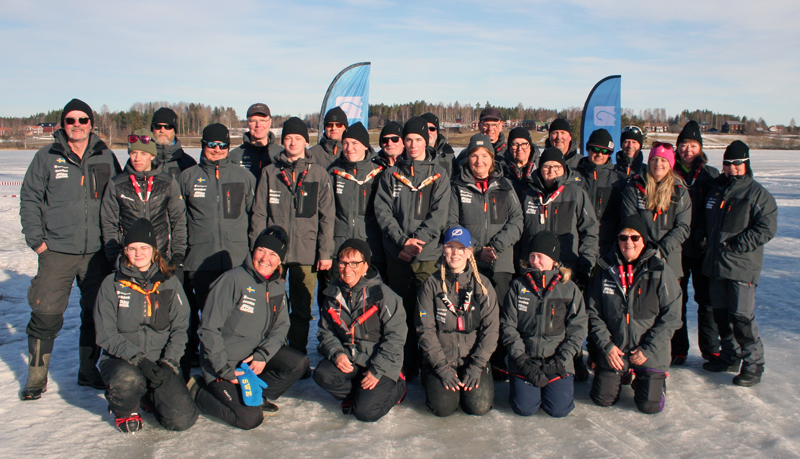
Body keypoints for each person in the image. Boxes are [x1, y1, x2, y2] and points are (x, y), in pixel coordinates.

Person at [20, 98, 122, 399]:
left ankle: (88, 371)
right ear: (62, 124)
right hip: (57, 251)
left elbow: (117, 196)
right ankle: (36, 377)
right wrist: (38, 242)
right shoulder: (47, 156)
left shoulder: (105, 155)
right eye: (70, 120)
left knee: (95, 314)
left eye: (82, 120)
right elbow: (30, 199)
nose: (76, 125)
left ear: (91, 124)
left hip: (96, 254)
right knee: (46, 313)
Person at [194, 227, 310, 429]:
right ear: (253, 251)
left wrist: (262, 355)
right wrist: (224, 370)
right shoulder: (233, 279)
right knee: (250, 419)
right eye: (261, 250)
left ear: (280, 260)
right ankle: (198, 393)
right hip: (221, 363)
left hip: (250, 360)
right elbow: (209, 329)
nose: (265, 258)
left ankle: (253, 393)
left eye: (273, 254)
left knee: (298, 363)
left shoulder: (277, 286)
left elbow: (282, 326)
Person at [94, 218, 198, 433]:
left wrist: (170, 361)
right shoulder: (111, 283)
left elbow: (181, 327)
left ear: (154, 250)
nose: (138, 253)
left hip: (160, 361)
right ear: (125, 251)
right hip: (123, 359)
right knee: (128, 379)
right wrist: (138, 359)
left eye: (144, 247)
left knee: (181, 421)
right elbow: (105, 334)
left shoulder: (170, 282)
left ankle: (149, 397)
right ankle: (125, 408)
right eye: (132, 248)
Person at [374, 116, 451, 378]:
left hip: (427, 256)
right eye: (408, 140)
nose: (413, 144)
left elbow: (439, 216)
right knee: (402, 312)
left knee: (428, 314)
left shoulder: (439, 174)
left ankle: (431, 362)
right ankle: (406, 361)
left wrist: (416, 243)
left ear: (426, 141)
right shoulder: (390, 175)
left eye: (418, 139)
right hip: (397, 255)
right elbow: (382, 212)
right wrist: (401, 241)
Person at [250, 117, 334, 355]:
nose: (293, 143)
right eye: (288, 138)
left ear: (306, 142)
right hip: (273, 253)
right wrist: (257, 250)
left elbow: (327, 217)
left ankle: (297, 353)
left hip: (306, 253)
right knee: (270, 305)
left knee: (301, 308)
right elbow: (258, 214)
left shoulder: (318, 174)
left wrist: (325, 252)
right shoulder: (270, 173)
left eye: (298, 138)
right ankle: (270, 352)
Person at [178, 123, 256, 379]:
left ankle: (233, 362)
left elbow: (254, 217)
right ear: (203, 145)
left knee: (234, 316)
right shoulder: (188, 177)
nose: (217, 150)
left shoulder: (243, 177)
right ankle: (208, 364)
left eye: (223, 145)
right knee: (206, 316)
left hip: (235, 259)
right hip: (200, 260)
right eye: (212, 145)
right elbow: (178, 220)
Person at [587, 216, 682, 414]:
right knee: (602, 399)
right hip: (617, 351)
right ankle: (623, 373)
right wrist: (607, 346)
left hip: (648, 351)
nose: (628, 242)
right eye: (623, 237)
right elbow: (592, 313)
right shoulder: (605, 268)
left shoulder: (660, 270)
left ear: (644, 240)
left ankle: (654, 381)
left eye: (635, 237)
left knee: (649, 406)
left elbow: (672, 316)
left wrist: (648, 349)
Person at [701, 141, 777, 386]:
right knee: (720, 314)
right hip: (715, 264)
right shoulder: (716, 189)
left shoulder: (757, 194)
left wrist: (737, 245)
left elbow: (766, 228)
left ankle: (754, 362)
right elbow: (705, 219)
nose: (732, 168)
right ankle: (729, 354)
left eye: (737, 164)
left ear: (746, 164)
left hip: (741, 266)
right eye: (727, 163)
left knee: (742, 316)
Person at [519, 147, 598, 381]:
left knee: (565, 316)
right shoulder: (528, 194)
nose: (551, 171)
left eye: (556, 167)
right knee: (538, 315)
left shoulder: (575, 193)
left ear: (564, 169)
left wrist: (586, 263)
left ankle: (572, 360)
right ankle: (531, 359)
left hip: (566, 269)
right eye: (546, 166)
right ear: (539, 169)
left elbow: (590, 230)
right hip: (534, 268)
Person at [448, 134, 523, 379]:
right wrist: (477, 249)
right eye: (474, 156)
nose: (479, 161)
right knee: (472, 311)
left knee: (498, 312)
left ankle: (498, 361)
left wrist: (497, 247)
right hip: (469, 262)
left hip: (501, 263)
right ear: (467, 159)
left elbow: (517, 220)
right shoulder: (457, 186)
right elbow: (451, 223)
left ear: (492, 159)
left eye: (484, 156)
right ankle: (472, 358)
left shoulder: (505, 186)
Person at [314, 239, 407, 422]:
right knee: (322, 374)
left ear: (365, 266)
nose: (347, 269)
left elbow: (395, 338)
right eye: (343, 263)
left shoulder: (384, 296)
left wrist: (378, 370)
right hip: (351, 358)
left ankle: (398, 387)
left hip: (381, 362)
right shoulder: (332, 294)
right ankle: (358, 394)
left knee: (365, 413)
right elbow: (325, 332)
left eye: (354, 263)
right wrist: (337, 354)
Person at [501, 231, 587, 417]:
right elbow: (508, 326)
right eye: (532, 256)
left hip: (556, 361)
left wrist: (560, 360)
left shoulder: (568, 288)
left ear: (554, 260)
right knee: (525, 408)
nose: (535, 261)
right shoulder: (518, 286)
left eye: (540, 256)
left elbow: (577, 329)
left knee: (558, 410)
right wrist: (522, 360)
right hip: (526, 360)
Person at [416, 227, 499, 417]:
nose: (455, 253)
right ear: (443, 250)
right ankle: (431, 376)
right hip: (442, 360)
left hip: (473, 359)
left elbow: (491, 329)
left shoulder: (483, 285)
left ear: (469, 252)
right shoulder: (431, 284)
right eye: (450, 247)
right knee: (443, 408)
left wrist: (477, 365)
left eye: (461, 248)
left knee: (479, 407)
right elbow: (425, 329)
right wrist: (442, 369)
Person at [621, 142, 691, 365]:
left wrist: (660, 250)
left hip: (669, 260)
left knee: (670, 309)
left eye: (663, 160)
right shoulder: (635, 188)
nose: (658, 163)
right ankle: (635, 353)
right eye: (654, 159)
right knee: (642, 308)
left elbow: (683, 227)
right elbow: (630, 221)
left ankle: (668, 354)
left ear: (670, 164)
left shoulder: (680, 191)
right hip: (639, 257)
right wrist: (645, 250)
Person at [100, 129, 186, 282]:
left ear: (152, 155)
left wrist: (178, 255)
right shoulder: (117, 184)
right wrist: (114, 257)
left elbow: (178, 220)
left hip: (161, 259)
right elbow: (109, 223)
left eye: (143, 153)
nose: (137, 158)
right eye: (134, 153)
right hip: (130, 261)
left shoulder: (167, 182)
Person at [672, 121, 720, 364]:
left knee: (707, 301)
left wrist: (705, 235)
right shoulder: (669, 173)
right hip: (676, 249)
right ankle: (677, 348)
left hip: (702, 249)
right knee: (676, 300)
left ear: (699, 148)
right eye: (683, 145)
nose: (687, 150)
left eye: (692, 145)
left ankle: (711, 348)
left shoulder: (711, 175)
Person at [328, 122, 386, 278]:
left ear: (365, 146)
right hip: (339, 247)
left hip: (371, 247)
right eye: (345, 143)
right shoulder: (333, 173)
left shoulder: (379, 173)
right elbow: (326, 213)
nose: (349, 148)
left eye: (355, 143)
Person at [575, 128, 627, 257]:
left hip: (607, 245)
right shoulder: (573, 177)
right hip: (577, 242)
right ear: (587, 149)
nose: (599, 154)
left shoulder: (618, 180)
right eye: (595, 149)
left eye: (605, 151)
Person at [229, 103, 283, 180]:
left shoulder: (281, 155)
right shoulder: (234, 156)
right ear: (247, 123)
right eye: (253, 121)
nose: (258, 125)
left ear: (270, 122)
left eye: (263, 120)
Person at [150, 107, 197, 179]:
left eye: (168, 127)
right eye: (158, 126)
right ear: (152, 129)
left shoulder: (188, 163)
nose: (162, 130)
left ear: (174, 130)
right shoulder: (141, 161)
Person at [501, 127, 541, 199]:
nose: (520, 148)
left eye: (524, 144)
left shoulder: (540, 167)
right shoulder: (501, 169)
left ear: (530, 147)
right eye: (515, 144)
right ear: (509, 148)